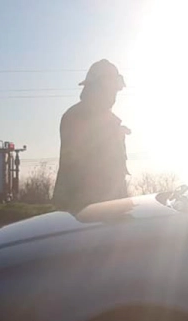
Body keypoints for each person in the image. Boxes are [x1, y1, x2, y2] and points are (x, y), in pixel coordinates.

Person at [52, 59, 130, 214]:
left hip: (108, 208)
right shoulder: (77, 117)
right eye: (112, 89)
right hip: (86, 211)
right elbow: (84, 166)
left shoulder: (109, 120)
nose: (115, 95)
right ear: (99, 88)